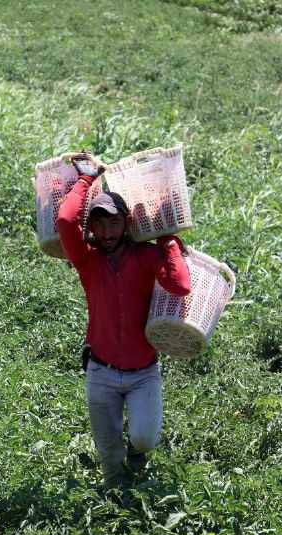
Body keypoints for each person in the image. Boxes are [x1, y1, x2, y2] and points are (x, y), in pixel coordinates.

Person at [56, 151, 191, 490]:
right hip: (101, 372)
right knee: (109, 455)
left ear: (127, 223)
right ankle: (119, 502)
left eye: (114, 222)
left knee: (144, 439)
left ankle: (137, 457)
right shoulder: (88, 262)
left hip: (143, 373)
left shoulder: (146, 257)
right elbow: (65, 222)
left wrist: (167, 239)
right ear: (93, 228)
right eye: (99, 223)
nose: (107, 230)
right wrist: (87, 178)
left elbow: (180, 285)